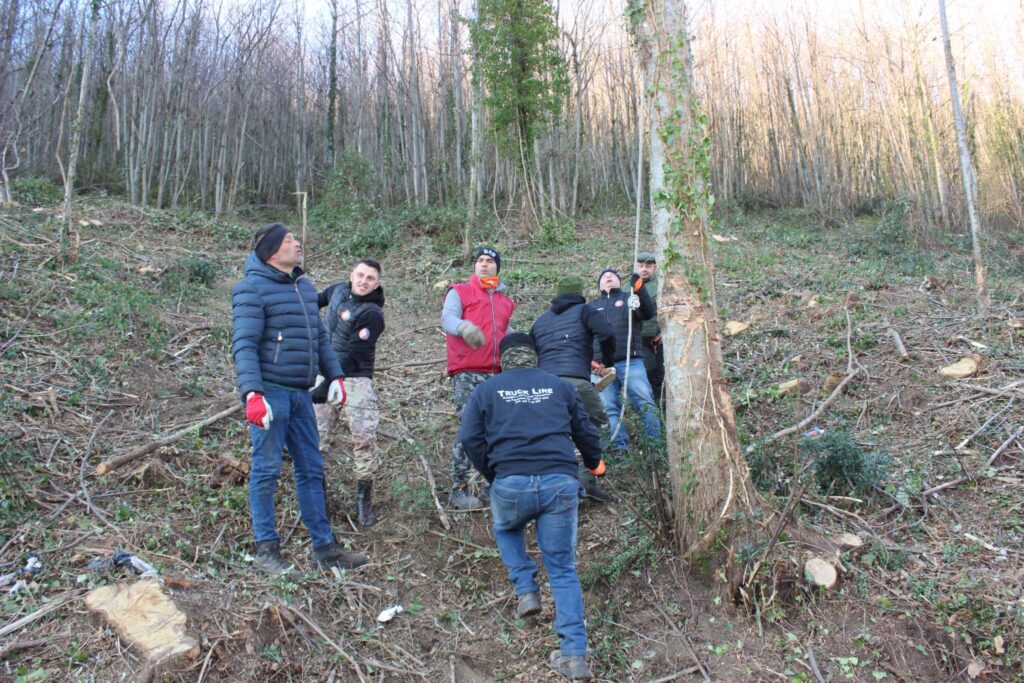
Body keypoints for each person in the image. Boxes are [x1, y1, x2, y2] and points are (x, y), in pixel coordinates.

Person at [459, 334, 604, 681]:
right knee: (563, 570)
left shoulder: (487, 390)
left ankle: (525, 587)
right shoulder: (558, 386)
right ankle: (575, 658)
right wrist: (595, 462)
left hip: (511, 482)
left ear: (504, 360)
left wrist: (493, 472)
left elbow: (469, 437)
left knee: (506, 527)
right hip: (559, 482)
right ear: (534, 358)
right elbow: (584, 430)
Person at [231, 222, 368, 574]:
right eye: (289, 240)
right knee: (265, 470)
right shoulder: (251, 290)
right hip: (271, 394)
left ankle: (324, 547)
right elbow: (244, 345)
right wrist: (252, 394)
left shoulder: (304, 288)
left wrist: (334, 374)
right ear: (272, 252)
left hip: (302, 396)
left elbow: (320, 338)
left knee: (312, 468)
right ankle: (266, 549)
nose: (297, 243)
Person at [440, 246, 515, 509]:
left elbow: (507, 333)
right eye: (480, 261)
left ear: (498, 267)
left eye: (490, 261)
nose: (484, 264)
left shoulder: (506, 302)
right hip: (468, 371)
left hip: (498, 374)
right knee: (470, 429)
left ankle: (492, 485)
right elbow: (447, 318)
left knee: (500, 430)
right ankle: (458, 487)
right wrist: (463, 326)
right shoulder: (459, 291)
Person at [313, 258, 385, 527]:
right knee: (316, 438)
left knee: (363, 438)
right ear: (351, 275)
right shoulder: (337, 291)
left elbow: (355, 353)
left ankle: (363, 499)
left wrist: (329, 381)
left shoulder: (372, 314)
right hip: (322, 372)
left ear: (377, 283)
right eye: (360, 275)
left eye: (370, 278)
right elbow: (314, 300)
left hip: (355, 379)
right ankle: (317, 497)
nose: (364, 281)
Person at [530, 275, 615, 502]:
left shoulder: (540, 321)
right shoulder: (584, 311)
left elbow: (535, 350)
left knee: (556, 433)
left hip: (545, 386)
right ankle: (588, 480)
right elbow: (607, 333)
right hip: (577, 382)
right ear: (580, 293)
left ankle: (561, 486)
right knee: (595, 425)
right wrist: (606, 358)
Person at [590, 268, 664, 455]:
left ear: (618, 281)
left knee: (644, 401)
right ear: (599, 285)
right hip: (601, 367)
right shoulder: (591, 308)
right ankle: (620, 451)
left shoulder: (629, 299)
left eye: (612, 275)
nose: (608, 277)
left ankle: (655, 449)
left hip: (631, 360)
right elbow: (584, 338)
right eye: (604, 276)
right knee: (609, 409)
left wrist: (639, 289)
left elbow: (647, 312)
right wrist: (590, 363)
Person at [635, 253, 665, 405]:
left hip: (655, 341)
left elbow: (668, 310)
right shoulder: (628, 286)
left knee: (657, 378)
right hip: (634, 340)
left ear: (654, 267)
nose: (644, 269)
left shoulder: (661, 286)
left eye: (648, 266)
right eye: (641, 266)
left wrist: (664, 332)